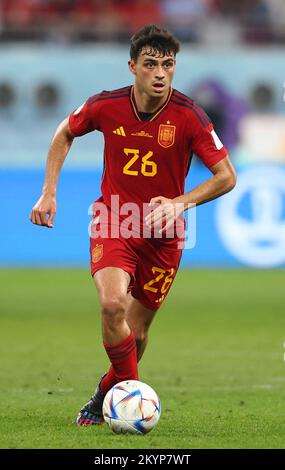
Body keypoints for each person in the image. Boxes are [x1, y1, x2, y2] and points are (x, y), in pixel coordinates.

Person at [30, 24, 236, 426]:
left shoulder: (189, 115)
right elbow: (64, 132)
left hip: (165, 236)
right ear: (133, 67)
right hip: (115, 221)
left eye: (168, 64)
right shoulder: (106, 105)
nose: (160, 73)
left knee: (136, 335)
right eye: (151, 64)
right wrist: (48, 192)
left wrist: (180, 203)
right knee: (112, 305)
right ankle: (134, 401)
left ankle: (106, 391)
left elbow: (226, 176)